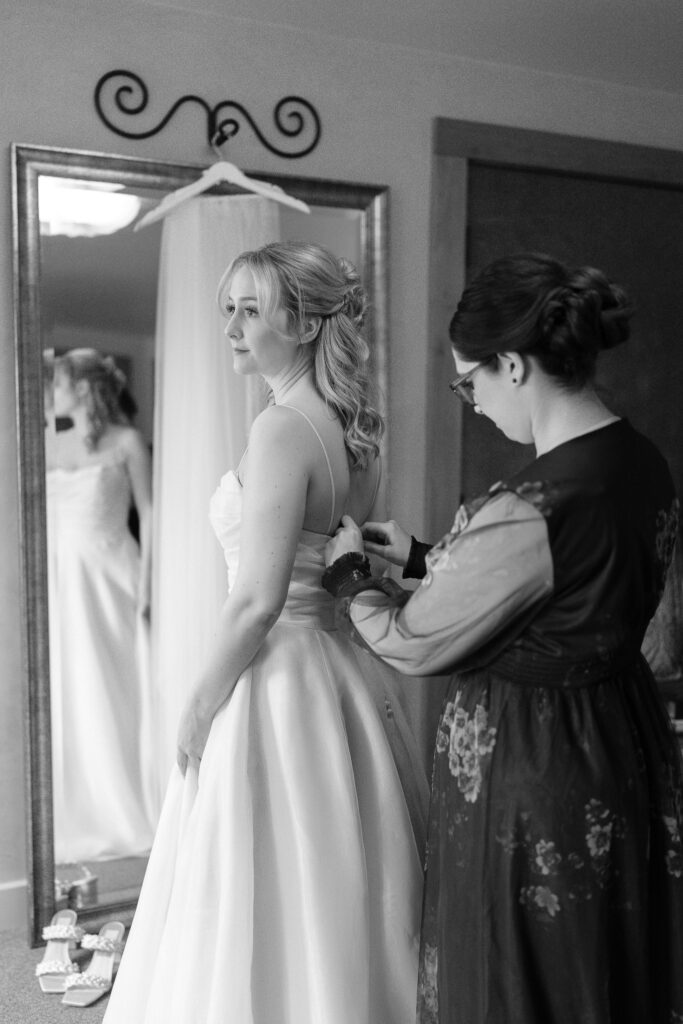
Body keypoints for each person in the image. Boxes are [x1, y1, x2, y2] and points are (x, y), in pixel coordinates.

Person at [323, 252, 683, 1024]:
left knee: (517, 970)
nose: (472, 403)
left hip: (534, 760)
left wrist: (349, 576)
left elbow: (414, 642)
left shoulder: (535, 503)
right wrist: (423, 558)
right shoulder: (641, 462)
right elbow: (560, 591)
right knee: (599, 959)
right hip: (619, 735)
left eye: (469, 382)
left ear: (513, 365)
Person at [103, 242, 427, 1024]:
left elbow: (256, 601)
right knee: (329, 879)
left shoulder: (283, 428)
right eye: (228, 310)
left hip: (278, 675)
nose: (232, 329)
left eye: (251, 310)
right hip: (340, 674)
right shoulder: (356, 432)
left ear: (307, 322)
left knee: (257, 882)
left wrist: (198, 705)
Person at [46, 348, 157, 862]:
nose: (54, 389)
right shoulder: (50, 439)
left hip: (113, 573)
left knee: (114, 686)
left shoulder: (128, 442)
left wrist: (153, 582)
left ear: (85, 388)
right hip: (63, 582)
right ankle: (76, 805)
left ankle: (125, 802)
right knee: (71, 688)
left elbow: (150, 513)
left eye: (62, 382)